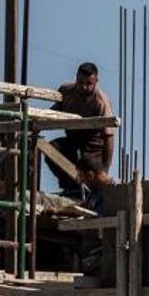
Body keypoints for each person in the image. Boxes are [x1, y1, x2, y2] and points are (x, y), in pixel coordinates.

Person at [49, 62, 114, 197]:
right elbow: (53, 111)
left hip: (92, 146)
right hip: (73, 139)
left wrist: (104, 170)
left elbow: (108, 138)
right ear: (76, 78)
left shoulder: (101, 102)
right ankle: (71, 188)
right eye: (80, 82)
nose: (84, 87)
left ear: (96, 81)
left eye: (89, 84)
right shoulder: (66, 91)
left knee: (91, 168)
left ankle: (97, 190)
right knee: (52, 151)